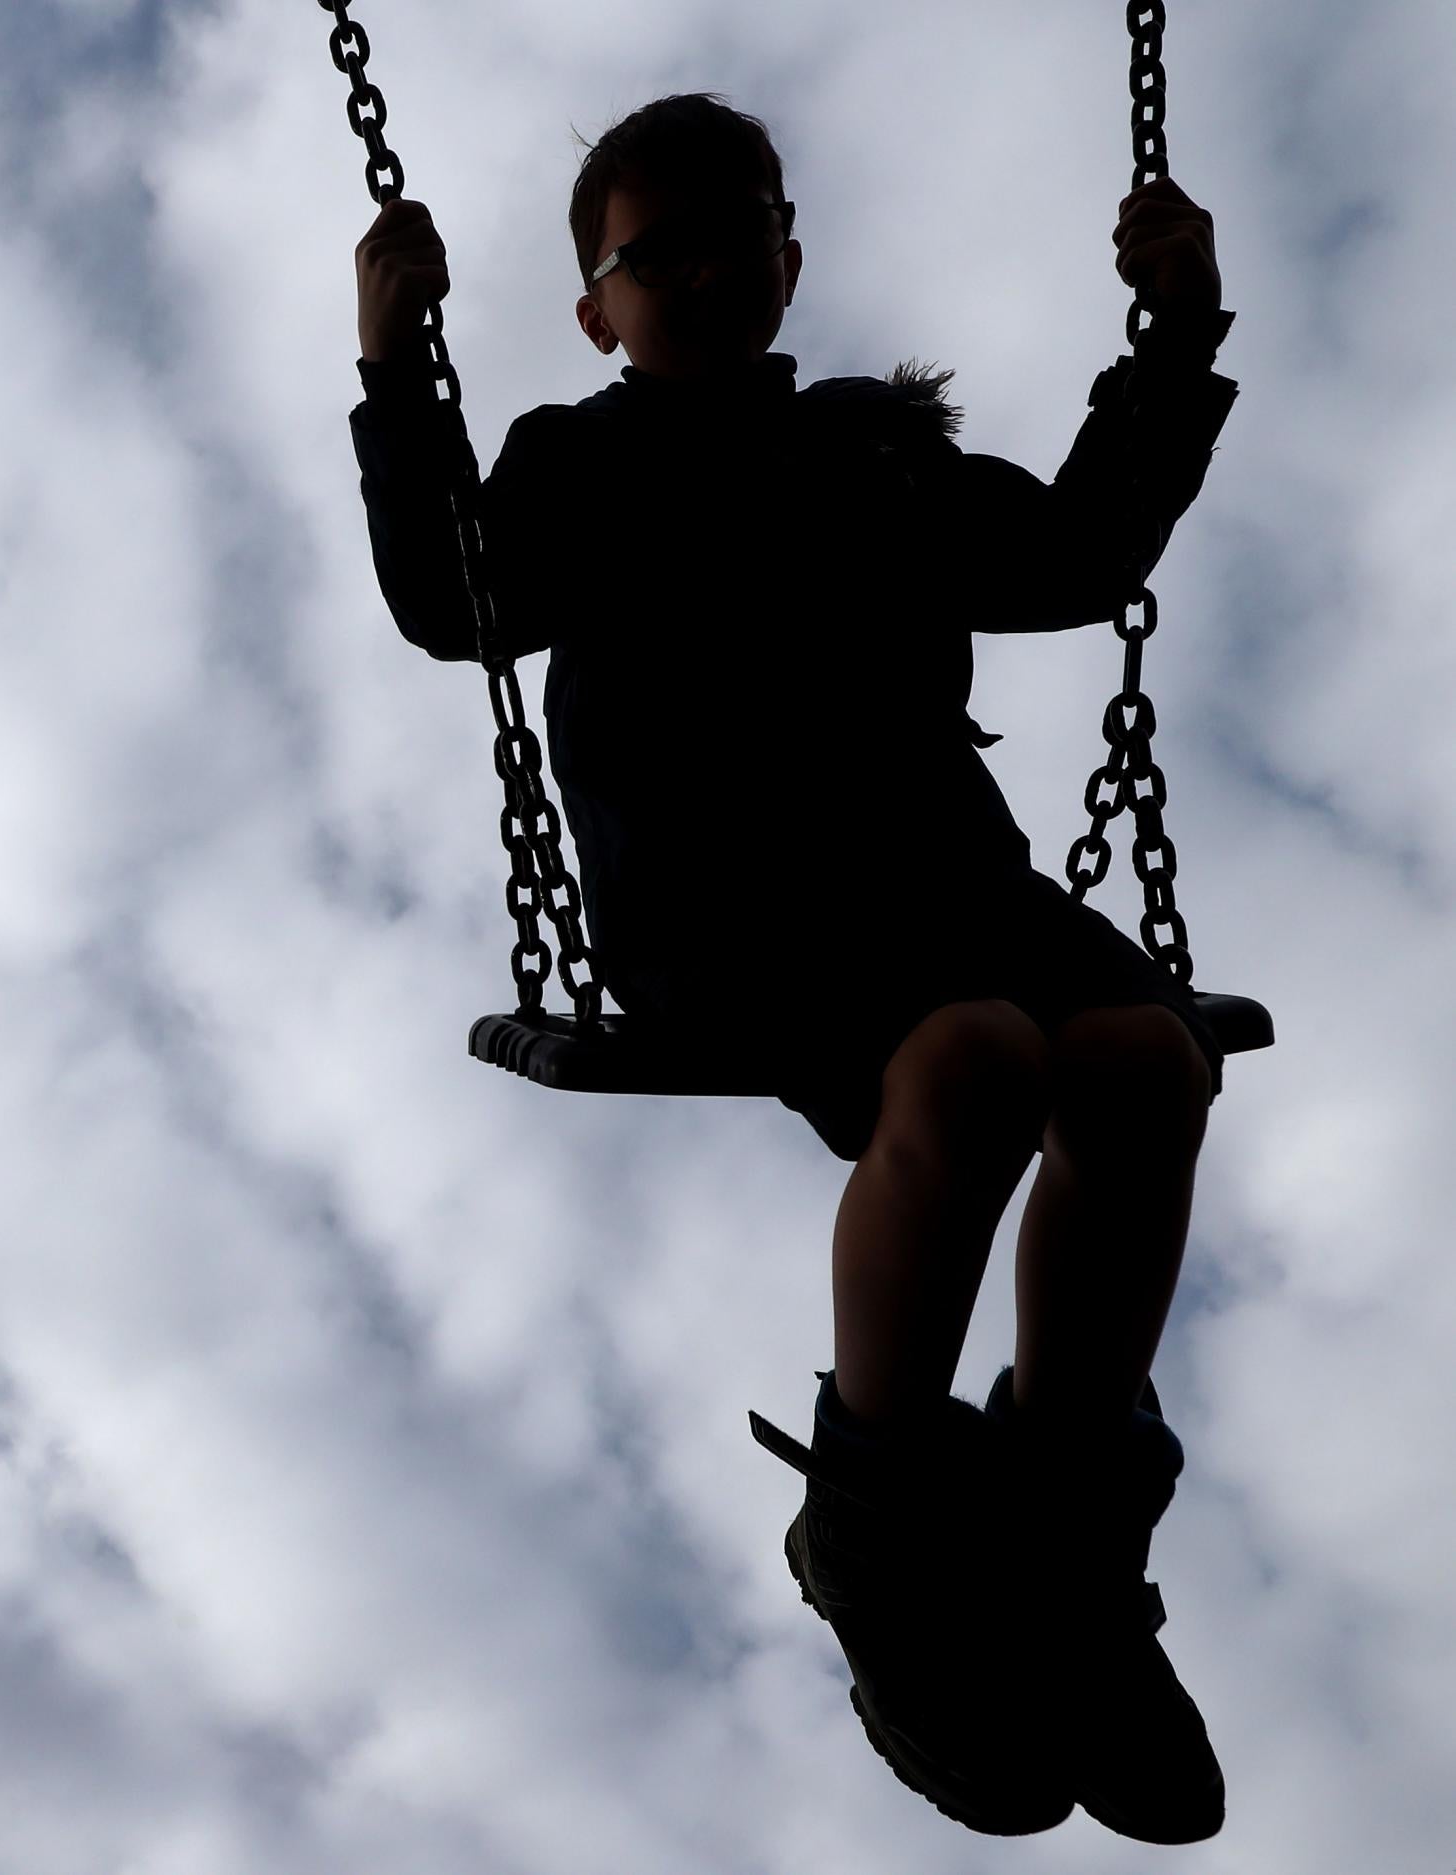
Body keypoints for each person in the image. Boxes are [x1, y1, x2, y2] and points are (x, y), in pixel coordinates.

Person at [347, 93, 1236, 1842]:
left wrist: (1180, 330)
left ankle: (1067, 1557)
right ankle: (888, 1539)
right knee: (976, 1063)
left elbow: (1075, 552)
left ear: (789, 257)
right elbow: (457, 602)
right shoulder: (571, 463)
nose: (698, 264)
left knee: (1146, 1062)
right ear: (597, 309)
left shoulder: (876, 454)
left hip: (936, 864)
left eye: (734, 229)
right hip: (721, 885)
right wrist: (396, 365)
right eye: (648, 250)